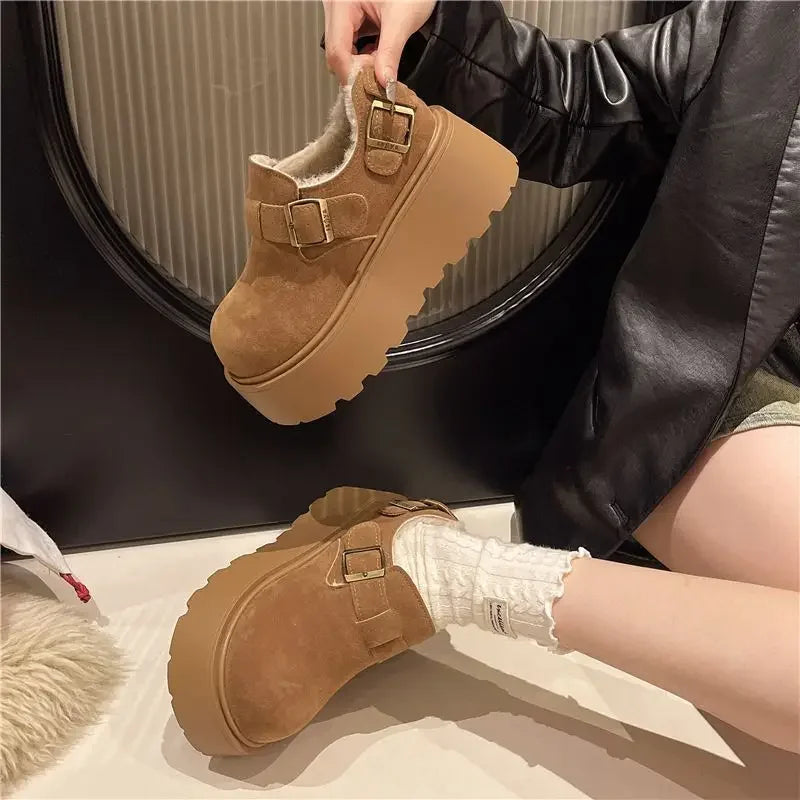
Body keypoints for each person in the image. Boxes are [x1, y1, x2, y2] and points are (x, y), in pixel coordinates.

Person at [321, 0, 800, 753]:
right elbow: (574, 101)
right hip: (736, 398)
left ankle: (440, 570)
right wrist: (432, 21)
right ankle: (436, 570)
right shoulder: (773, 28)